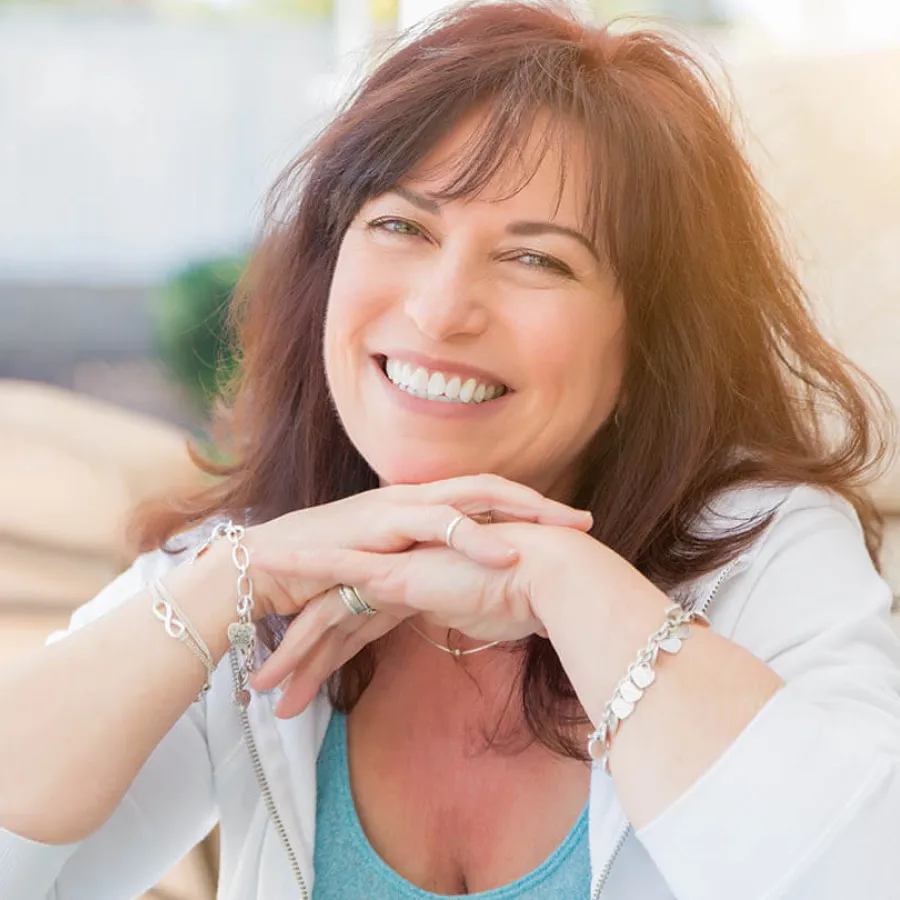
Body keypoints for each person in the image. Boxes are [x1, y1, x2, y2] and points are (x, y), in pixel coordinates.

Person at [2, 2, 899, 898]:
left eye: (538, 260)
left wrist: (560, 582)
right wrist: (220, 583)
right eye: (403, 227)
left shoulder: (766, 551)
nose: (439, 310)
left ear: (654, 340)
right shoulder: (266, 556)